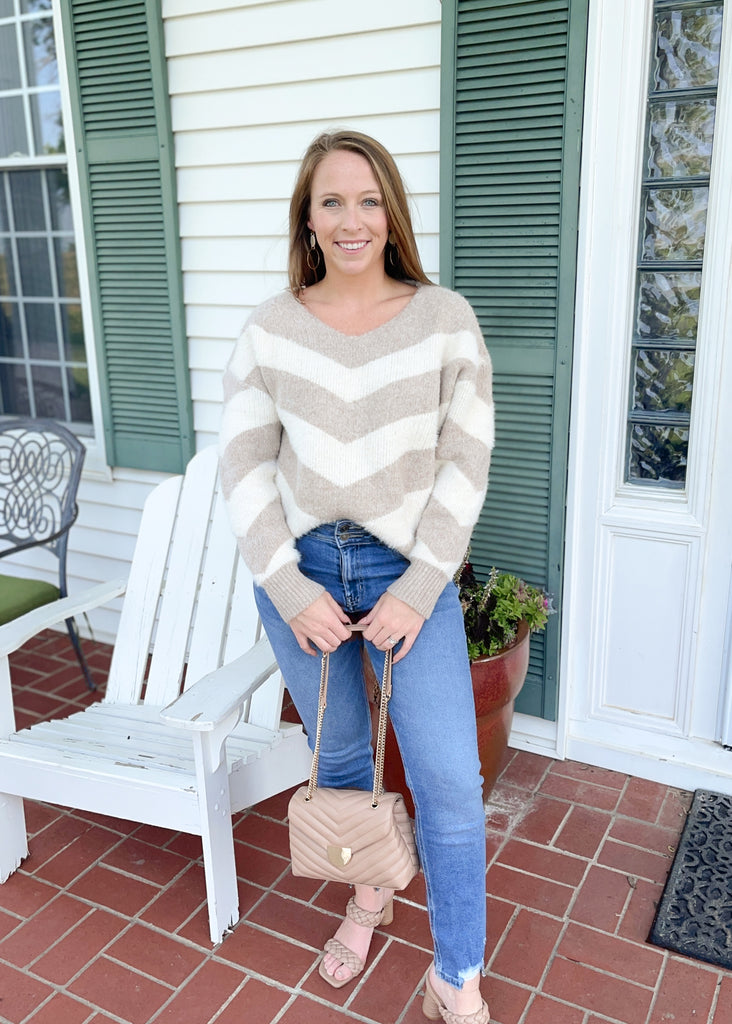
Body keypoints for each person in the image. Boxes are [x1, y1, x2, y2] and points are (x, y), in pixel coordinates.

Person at [219, 129, 494, 1023]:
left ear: (392, 214)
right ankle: (369, 893)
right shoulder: (270, 328)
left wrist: (418, 588)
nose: (351, 220)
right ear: (307, 218)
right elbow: (243, 466)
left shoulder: (443, 318)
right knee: (340, 758)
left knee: (449, 781)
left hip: (405, 572)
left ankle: (457, 976)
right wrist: (288, 589)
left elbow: (466, 458)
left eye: (369, 200)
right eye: (331, 201)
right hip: (301, 575)